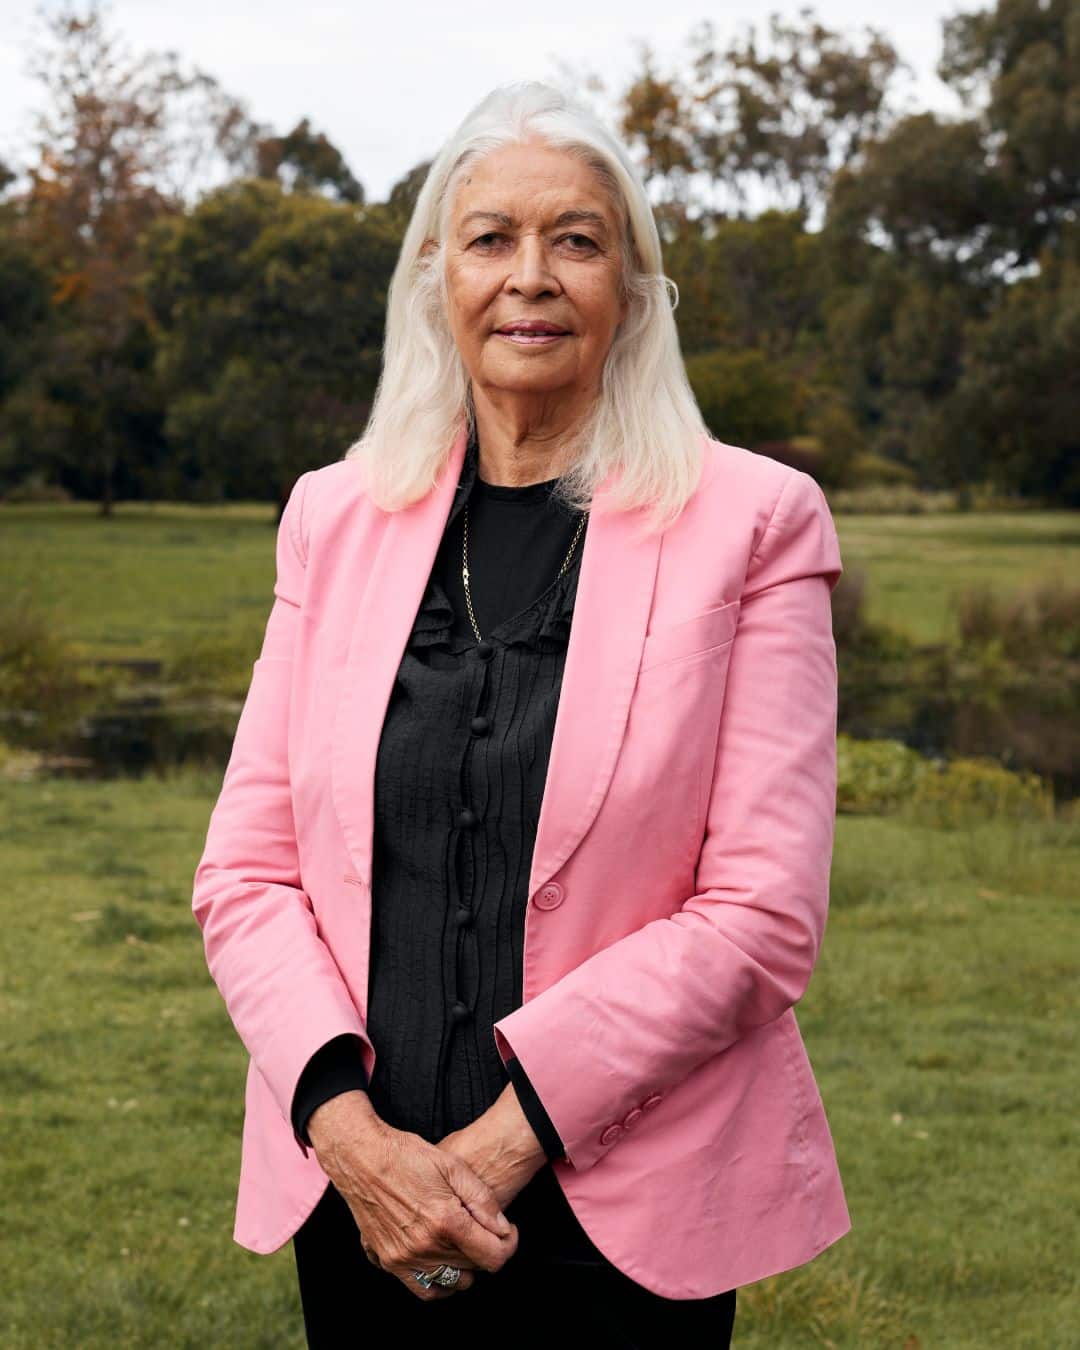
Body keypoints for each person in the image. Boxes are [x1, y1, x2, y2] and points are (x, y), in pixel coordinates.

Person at [192, 80, 851, 1348]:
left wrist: (496, 1151)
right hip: (358, 1198)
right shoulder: (332, 517)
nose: (530, 276)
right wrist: (351, 1138)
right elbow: (247, 873)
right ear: (436, 276)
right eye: (491, 237)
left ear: (634, 288)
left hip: (626, 1219)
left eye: (577, 240)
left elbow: (762, 914)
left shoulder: (756, 523)